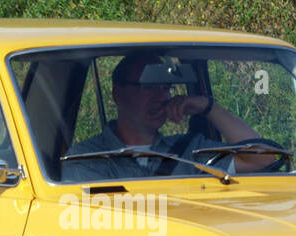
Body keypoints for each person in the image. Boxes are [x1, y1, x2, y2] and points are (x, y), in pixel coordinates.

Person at [64, 53, 275, 179]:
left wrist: (210, 108)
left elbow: (263, 160)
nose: (162, 96)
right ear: (118, 94)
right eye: (149, 87)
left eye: (166, 88)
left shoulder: (191, 150)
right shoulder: (86, 158)